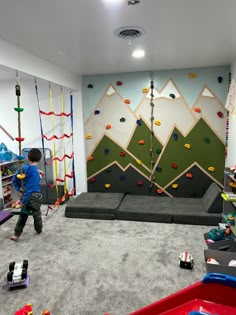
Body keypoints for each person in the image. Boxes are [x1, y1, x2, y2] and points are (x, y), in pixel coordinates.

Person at [10, 148, 43, 241]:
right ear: (39, 159)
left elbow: (14, 179)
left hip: (25, 195)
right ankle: (39, 229)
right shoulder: (34, 173)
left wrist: (20, 190)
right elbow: (30, 188)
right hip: (34, 196)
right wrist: (24, 201)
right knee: (36, 213)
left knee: (23, 215)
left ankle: (16, 234)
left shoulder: (23, 168)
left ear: (28, 158)